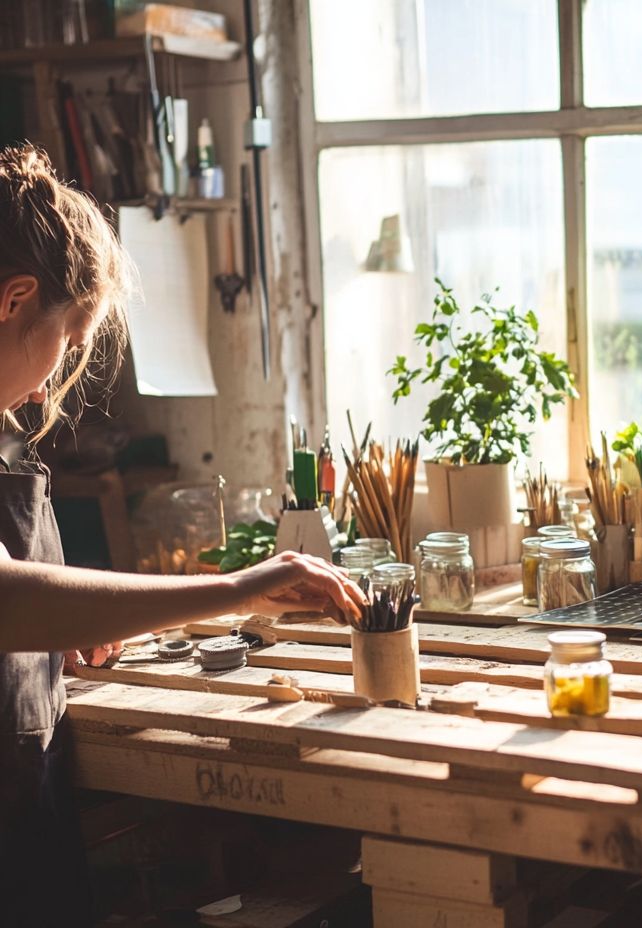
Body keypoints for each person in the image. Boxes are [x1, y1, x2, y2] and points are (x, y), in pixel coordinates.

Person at [0, 144, 364, 925]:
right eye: (66, 340)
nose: (52, 376)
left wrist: (54, 637)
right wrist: (242, 584)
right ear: (15, 298)